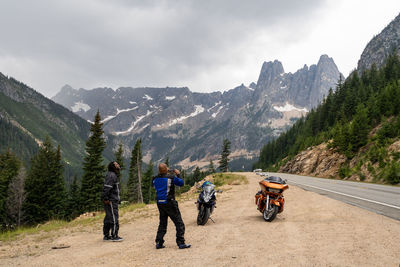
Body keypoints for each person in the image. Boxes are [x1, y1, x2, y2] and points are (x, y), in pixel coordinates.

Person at [152, 163, 191, 249]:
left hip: (160, 203)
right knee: (179, 222)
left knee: (162, 223)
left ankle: (159, 242)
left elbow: (156, 184)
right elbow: (181, 183)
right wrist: (178, 174)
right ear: (166, 169)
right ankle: (181, 243)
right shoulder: (171, 178)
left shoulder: (154, 179)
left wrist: (165, 172)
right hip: (170, 202)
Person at [102, 161, 123, 242]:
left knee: (108, 217)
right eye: (117, 164)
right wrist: (106, 198)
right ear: (113, 166)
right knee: (114, 217)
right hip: (111, 200)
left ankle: (106, 236)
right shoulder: (112, 175)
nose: (118, 165)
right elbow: (107, 188)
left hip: (112, 199)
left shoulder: (112, 175)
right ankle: (114, 235)